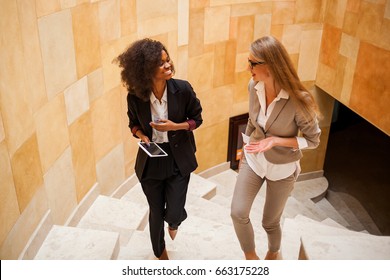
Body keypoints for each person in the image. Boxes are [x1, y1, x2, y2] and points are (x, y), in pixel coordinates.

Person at [230, 35, 321, 260]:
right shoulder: (254, 86)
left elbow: (313, 140)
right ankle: (251, 257)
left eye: (252, 63)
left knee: (269, 222)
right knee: (238, 213)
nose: (247, 67)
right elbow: (252, 122)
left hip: (282, 168)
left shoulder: (299, 100)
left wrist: (277, 141)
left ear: (269, 65)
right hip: (253, 160)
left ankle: (273, 251)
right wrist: (244, 153)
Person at [115, 38, 203, 260]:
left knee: (173, 210)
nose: (168, 65)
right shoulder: (135, 96)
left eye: (168, 60)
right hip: (151, 162)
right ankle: (160, 253)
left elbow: (197, 119)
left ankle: (174, 221)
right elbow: (132, 124)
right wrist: (142, 135)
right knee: (155, 211)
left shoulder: (182, 89)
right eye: (161, 63)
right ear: (146, 71)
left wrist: (177, 126)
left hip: (178, 159)